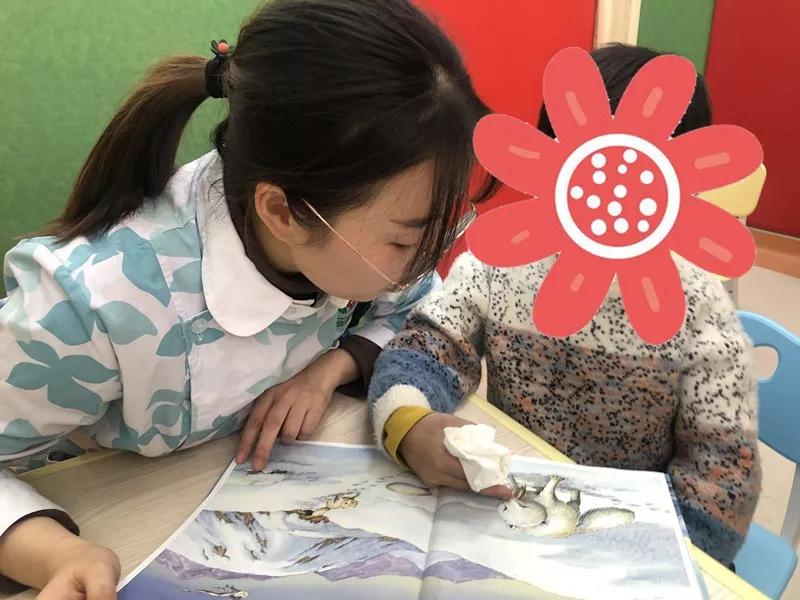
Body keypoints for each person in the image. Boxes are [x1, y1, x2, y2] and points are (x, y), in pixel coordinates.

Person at [0, 1, 498, 596]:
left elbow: (416, 306)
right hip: (102, 512)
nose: (425, 259)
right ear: (282, 212)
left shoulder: (333, 231)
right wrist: (56, 556)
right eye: (405, 240)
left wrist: (329, 369)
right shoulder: (95, 307)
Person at [368, 44, 761, 567]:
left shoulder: (700, 308)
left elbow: (722, 478)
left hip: (641, 548)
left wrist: (640, 558)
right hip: (518, 516)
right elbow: (425, 347)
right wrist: (408, 423)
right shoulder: (497, 266)